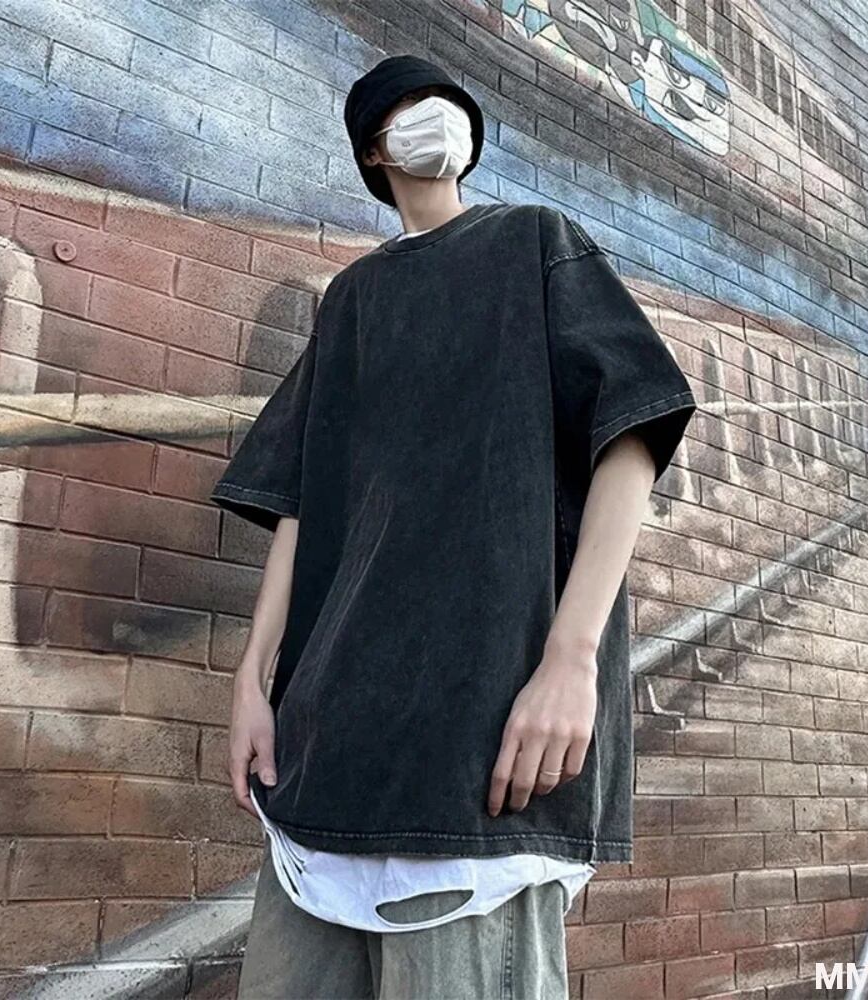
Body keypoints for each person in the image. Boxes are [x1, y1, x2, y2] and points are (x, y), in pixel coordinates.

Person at [211, 53, 698, 1000]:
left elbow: (634, 432)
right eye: (406, 106)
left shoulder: (535, 242)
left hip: (480, 755)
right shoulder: (351, 300)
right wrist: (251, 681)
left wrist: (571, 660)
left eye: (444, 102)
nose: (433, 115)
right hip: (324, 758)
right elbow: (303, 499)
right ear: (373, 151)